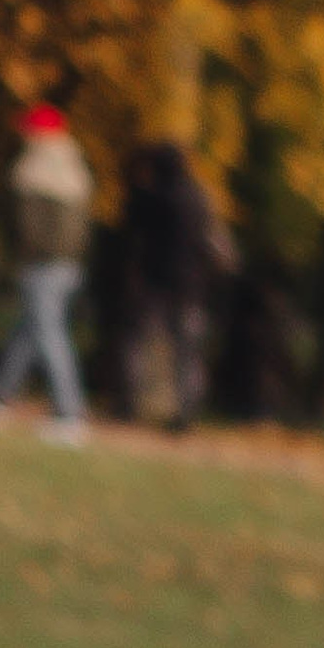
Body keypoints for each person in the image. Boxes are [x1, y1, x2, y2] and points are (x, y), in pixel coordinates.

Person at [0, 105, 95, 443]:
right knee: (29, 331)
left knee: (48, 334)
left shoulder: (34, 168)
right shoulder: (75, 166)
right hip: (68, 264)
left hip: (42, 264)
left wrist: (21, 255)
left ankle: (69, 413)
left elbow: (24, 226)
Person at [121, 139, 234, 431]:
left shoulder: (148, 196)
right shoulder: (198, 197)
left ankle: (130, 404)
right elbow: (211, 244)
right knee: (187, 351)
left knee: (138, 343)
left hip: (152, 281)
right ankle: (186, 412)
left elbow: (133, 237)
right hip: (190, 285)